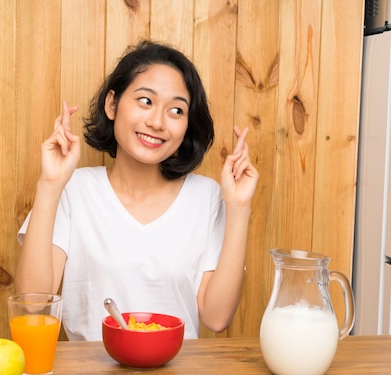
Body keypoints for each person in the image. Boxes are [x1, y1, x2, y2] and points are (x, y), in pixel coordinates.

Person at [15, 40, 258, 341]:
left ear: (185, 126)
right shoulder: (74, 190)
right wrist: (50, 185)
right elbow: (33, 303)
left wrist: (239, 207)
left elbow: (217, 317)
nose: (157, 122)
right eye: (146, 101)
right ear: (112, 104)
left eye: (176, 110)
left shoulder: (206, 196)